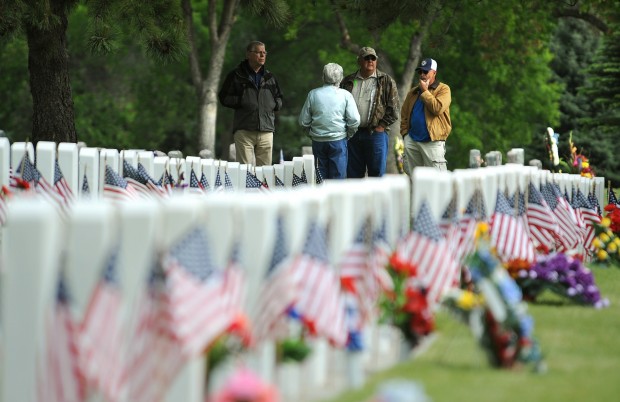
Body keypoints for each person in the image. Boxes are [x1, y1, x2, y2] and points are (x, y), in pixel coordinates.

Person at [218, 41, 283, 166]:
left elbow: (279, 97)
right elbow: (223, 97)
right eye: (259, 52)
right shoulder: (236, 75)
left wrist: (275, 105)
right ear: (248, 54)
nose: (262, 55)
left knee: (265, 174)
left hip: (266, 131)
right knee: (244, 173)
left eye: (264, 53)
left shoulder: (270, 77)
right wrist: (242, 101)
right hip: (244, 131)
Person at [341, 47, 400, 178]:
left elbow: (394, 109)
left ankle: (377, 199)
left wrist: (381, 126)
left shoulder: (386, 80)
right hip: (352, 134)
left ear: (376, 61)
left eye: (373, 58)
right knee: (353, 176)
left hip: (376, 134)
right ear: (359, 61)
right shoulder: (348, 81)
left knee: (377, 175)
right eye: (366, 58)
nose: (370, 61)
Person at [299, 63, 360, 179]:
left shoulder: (313, 94)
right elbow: (355, 120)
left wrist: (311, 134)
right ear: (341, 78)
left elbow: (303, 121)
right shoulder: (346, 95)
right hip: (338, 141)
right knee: (338, 179)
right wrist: (348, 134)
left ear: (323, 77)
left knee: (320, 178)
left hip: (318, 142)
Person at [400, 58, 452, 173]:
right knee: (413, 179)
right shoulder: (413, 92)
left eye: (425, 72)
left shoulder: (444, 89)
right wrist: (405, 135)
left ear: (434, 73)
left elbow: (437, 108)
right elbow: (404, 114)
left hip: (432, 142)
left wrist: (425, 92)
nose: (422, 75)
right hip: (412, 141)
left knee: (438, 180)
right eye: (420, 72)